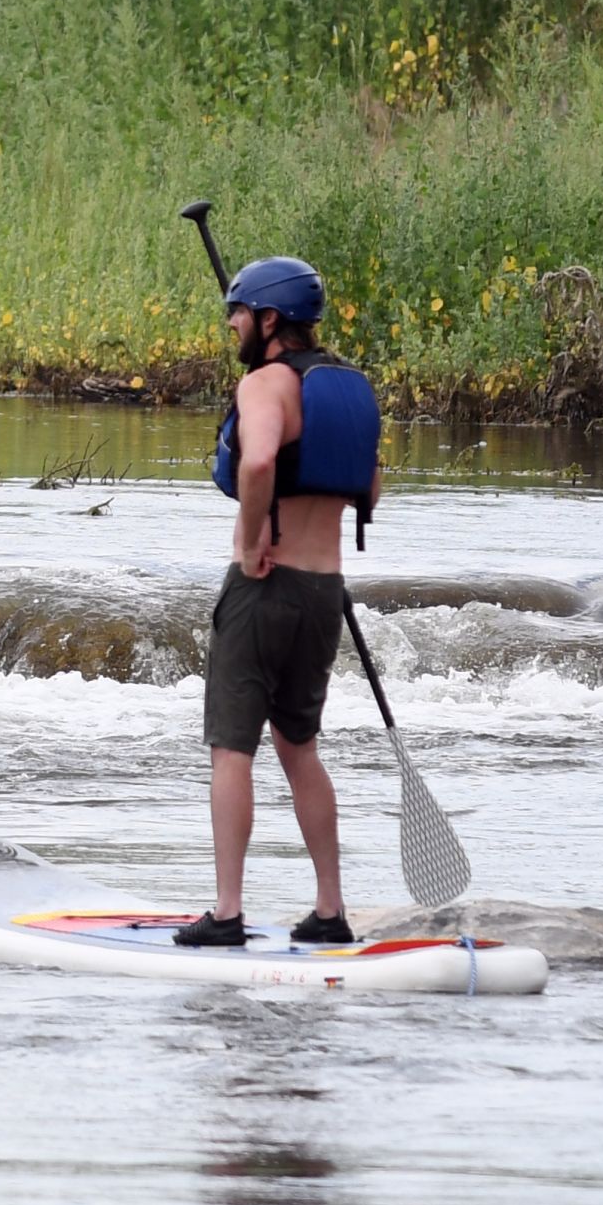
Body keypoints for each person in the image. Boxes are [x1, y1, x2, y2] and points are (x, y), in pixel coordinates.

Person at [185, 253, 382, 948]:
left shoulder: (266, 385)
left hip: (264, 588)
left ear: (269, 320)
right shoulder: (351, 386)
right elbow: (371, 487)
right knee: (299, 746)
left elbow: (260, 460)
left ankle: (228, 910)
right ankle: (330, 908)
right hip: (324, 592)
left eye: (237, 313)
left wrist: (249, 542)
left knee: (230, 747)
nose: (230, 324)